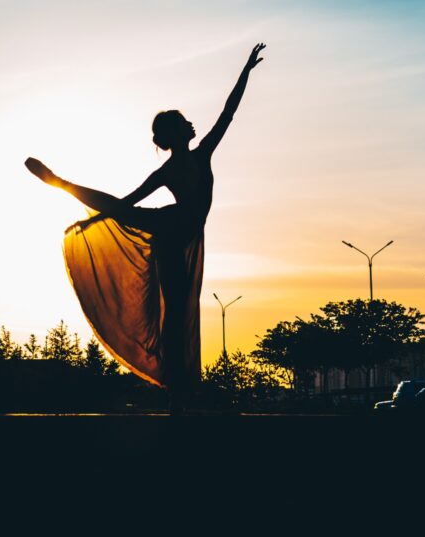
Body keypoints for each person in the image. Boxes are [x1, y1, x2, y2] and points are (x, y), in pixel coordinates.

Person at [25, 43, 266, 412]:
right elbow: (128, 202)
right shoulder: (171, 169)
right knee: (174, 313)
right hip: (170, 233)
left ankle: (179, 387)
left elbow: (228, 112)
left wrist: (246, 70)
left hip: (178, 230)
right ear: (174, 134)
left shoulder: (202, 154)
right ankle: (58, 181)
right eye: (183, 122)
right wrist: (98, 220)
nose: (191, 123)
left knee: (178, 312)